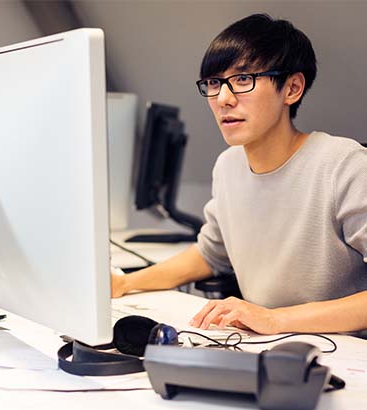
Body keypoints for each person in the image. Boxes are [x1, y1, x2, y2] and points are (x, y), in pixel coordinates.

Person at [111, 13, 367, 335]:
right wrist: (124, 283)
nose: (223, 99)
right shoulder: (228, 166)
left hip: (344, 356)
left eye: (243, 80)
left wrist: (274, 319)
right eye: (214, 83)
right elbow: (210, 253)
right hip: (264, 346)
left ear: (292, 88)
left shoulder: (345, 165)